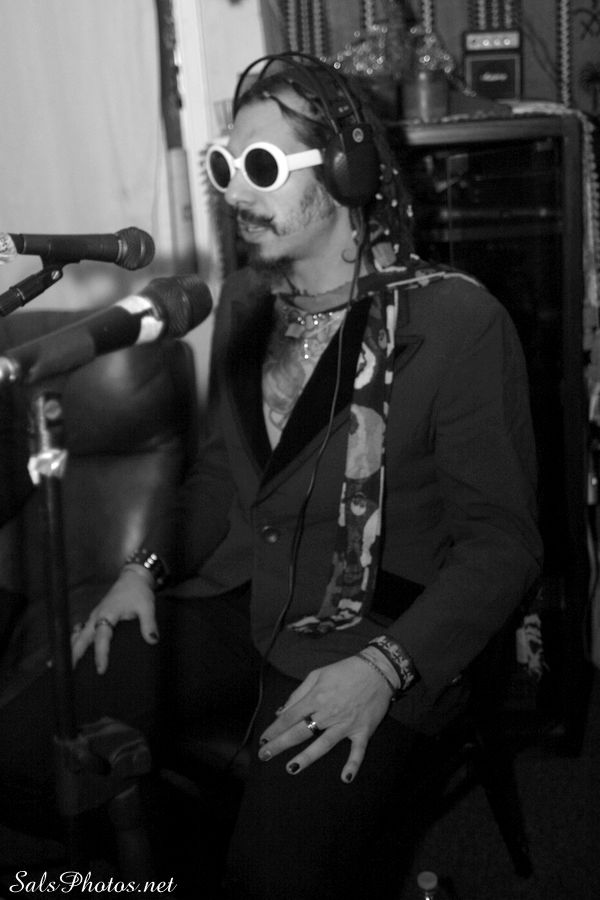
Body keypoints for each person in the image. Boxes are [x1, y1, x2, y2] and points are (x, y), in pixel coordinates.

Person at [12, 54, 542, 898]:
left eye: (260, 167)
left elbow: (502, 546)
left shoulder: (455, 321)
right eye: (224, 168)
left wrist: (387, 668)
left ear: (345, 170)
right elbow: (218, 479)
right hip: (238, 598)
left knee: (269, 880)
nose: (236, 192)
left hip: (372, 629)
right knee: (25, 745)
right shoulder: (244, 303)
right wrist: (142, 570)